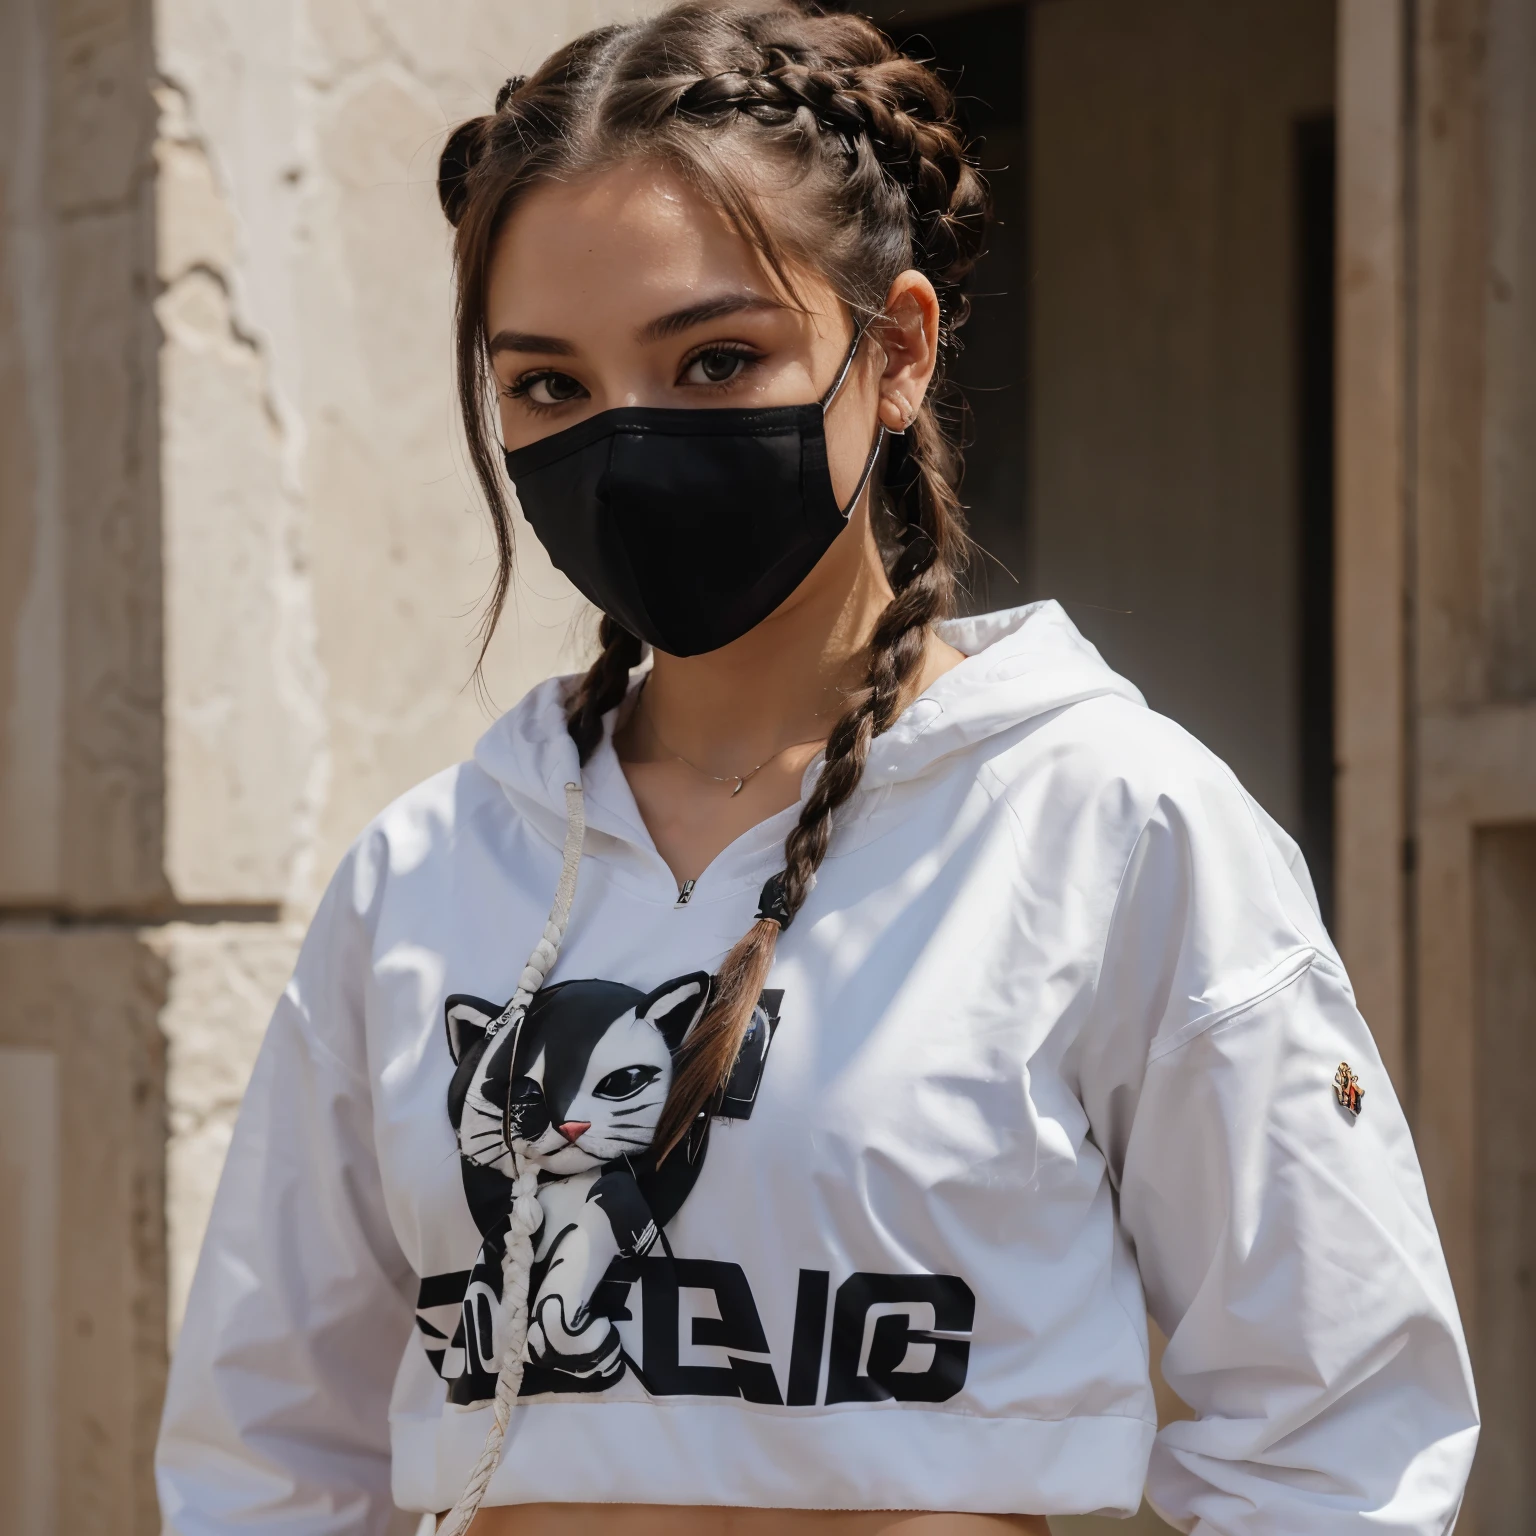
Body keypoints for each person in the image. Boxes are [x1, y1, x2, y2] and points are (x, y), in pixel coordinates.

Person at [155, 4, 1478, 1533]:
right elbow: (265, 1455)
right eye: (548, 387)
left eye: (714, 361)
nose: (627, 443)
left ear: (897, 350)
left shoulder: (1114, 822)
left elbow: (1342, 1431)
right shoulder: (423, 880)